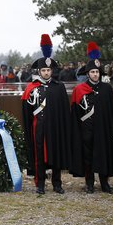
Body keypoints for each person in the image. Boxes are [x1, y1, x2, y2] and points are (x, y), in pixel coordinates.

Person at [20, 34, 71, 194]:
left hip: (55, 127)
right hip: (39, 127)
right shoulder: (31, 88)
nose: (47, 72)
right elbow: (26, 111)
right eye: (44, 70)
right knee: (39, 156)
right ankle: (40, 183)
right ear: (39, 71)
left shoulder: (59, 87)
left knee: (55, 154)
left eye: (49, 70)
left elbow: (64, 111)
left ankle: (57, 183)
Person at [70, 42, 113, 194]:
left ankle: (105, 184)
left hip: (103, 129)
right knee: (88, 156)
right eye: (92, 72)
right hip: (87, 129)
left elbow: (112, 110)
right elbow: (75, 112)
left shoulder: (107, 89)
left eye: (97, 72)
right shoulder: (80, 89)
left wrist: (112, 127)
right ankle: (89, 183)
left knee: (103, 155)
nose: (95, 74)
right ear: (87, 74)